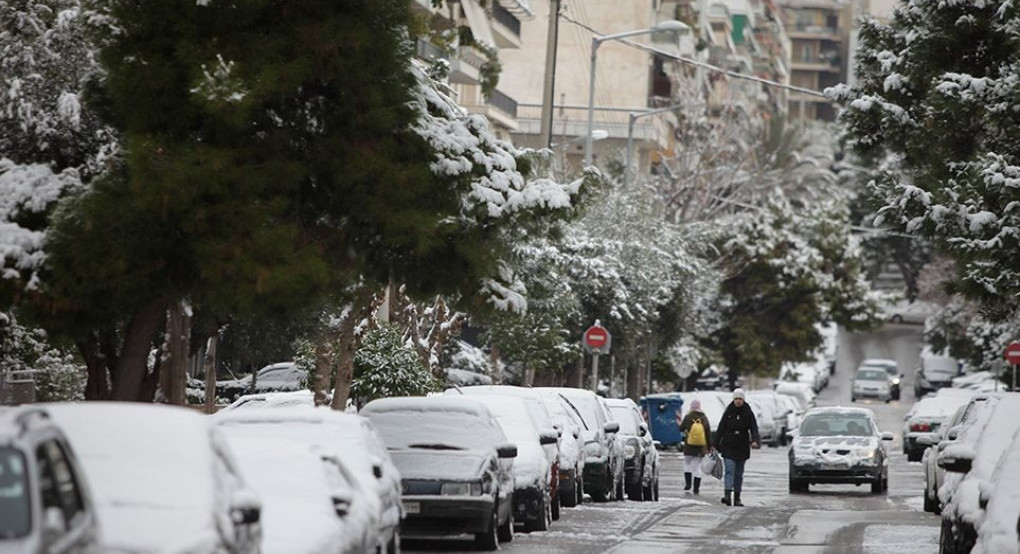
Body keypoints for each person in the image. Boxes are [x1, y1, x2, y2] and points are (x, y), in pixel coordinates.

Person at [714, 388, 760, 507]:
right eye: (736, 399)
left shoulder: (748, 412)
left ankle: (737, 498)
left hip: (742, 446)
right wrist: (714, 444)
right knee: (729, 471)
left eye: (740, 399)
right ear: (733, 399)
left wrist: (755, 440)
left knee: (738, 474)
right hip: (728, 445)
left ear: (743, 400)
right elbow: (721, 427)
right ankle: (727, 495)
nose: (738, 401)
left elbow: (754, 427)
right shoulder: (729, 411)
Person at [677, 399, 712, 494]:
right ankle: (696, 488)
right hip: (701, 447)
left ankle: (688, 484)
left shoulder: (688, 417)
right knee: (697, 467)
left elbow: (681, 428)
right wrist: (709, 447)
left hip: (689, 446)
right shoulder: (704, 418)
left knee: (687, 464)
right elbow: (708, 433)